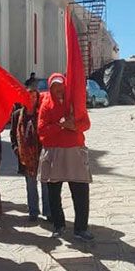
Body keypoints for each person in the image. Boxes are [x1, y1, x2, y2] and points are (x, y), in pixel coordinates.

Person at [37, 73, 93, 240]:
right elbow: (41, 130)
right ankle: (58, 225)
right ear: (50, 87)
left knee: (81, 191)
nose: (58, 89)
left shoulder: (74, 102)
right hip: (54, 153)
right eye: (54, 86)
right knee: (54, 193)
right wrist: (60, 126)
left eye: (60, 85)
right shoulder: (46, 104)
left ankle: (81, 228)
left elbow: (86, 124)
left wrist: (73, 126)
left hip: (75, 151)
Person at [11, 87, 50, 222]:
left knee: (45, 184)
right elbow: (13, 136)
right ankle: (33, 211)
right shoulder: (17, 115)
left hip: (42, 155)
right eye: (29, 97)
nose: (31, 100)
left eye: (34, 97)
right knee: (30, 185)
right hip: (26, 158)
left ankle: (48, 211)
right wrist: (17, 149)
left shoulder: (41, 113)